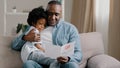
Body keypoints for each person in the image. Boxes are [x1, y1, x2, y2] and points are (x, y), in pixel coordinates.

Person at [11, 1, 82, 68]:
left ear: (61, 14)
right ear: (46, 13)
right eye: (50, 14)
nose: (53, 17)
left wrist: (68, 58)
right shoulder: (36, 25)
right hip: (39, 64)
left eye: (56, 14)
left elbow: (78, 53)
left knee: (72, 65)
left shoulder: (70, 29)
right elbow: (14, 45)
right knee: (28, 64)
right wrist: (25, 37)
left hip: (60, 64)